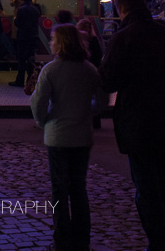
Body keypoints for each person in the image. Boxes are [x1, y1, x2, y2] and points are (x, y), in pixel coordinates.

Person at [100, 0, 165, 251]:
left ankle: (158, 241)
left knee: (147, 187)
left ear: (121, 9)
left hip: (138, 122)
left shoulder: (122, 39)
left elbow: (108, 81)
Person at [31, 24, 99, 251]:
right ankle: (82, 239)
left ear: (60, 43)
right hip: (82, 135)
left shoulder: (50, 70)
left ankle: (62, 240)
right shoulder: (89, 69)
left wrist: (43, 122)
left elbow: (38, 102)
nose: (50, 43)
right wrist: (87, 112)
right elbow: (101, 99)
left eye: (52, 39)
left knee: (59, 189)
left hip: (58, 136)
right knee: (78, 188)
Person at [76, 19, 105, 129]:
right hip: (93, 72)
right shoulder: (94, 40)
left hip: (81, 73)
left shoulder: (77, 41)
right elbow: (98, 56)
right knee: (93, 97)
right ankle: (96, 122)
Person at [11, 0, 41, 88]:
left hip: (23, 37)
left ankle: (20, 80)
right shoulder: (36, 9)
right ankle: (30, 79)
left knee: (22, 60)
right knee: (31, 59)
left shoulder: (21, 9)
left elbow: (18, 23)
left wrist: (15, 19)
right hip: (33, 37)